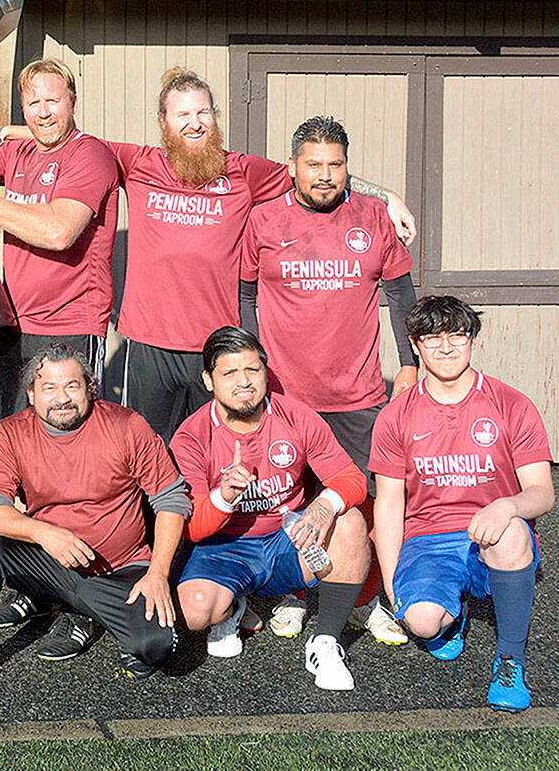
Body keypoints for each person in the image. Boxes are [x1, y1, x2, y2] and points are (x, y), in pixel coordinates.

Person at [0, 67, 416, 443]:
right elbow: (70, 136)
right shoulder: (136, 161)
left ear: (215, 118)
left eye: (203, 112)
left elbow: (315, 173)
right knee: (145, 458)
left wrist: (385, 195)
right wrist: (18, 130)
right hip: (147, 347)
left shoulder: (244, 171)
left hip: (215, 350)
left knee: (217, 458)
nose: (194, 123)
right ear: (163, 122)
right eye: (182, 114)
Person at [240, 115, 418, 645]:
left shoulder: (374, 218)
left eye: (334, 165)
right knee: (288, 497)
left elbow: (402, 294)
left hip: (357, 393)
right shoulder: (264, 221)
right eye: (313, 164)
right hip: (285, 393)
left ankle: (362, 597)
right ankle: (292, 592)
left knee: (359, 495)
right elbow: (245, 295)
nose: (324, 175)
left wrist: (408, 363)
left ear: (347, 167)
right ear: (293, 166)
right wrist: (255, 367)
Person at [0, 344, 187, 691]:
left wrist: (158, 574)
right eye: (49, 387)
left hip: (121, 571)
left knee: (153, 648)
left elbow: (171, 499)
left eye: (72, 386)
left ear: (90, 389)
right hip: (49, 562)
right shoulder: (11, 432)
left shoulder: (126, 426)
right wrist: (44, 533)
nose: (61, 398)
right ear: (31, 395)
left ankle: (74, 608)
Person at [371, 296, 553, 713]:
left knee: (509, 535)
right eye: (433, 338)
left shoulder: (511, 403)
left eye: (457, 335)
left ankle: (510, 661)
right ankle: (452, 614)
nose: (447, 347)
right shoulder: (396, 416)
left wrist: (507, 506)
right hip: (428, 539)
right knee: (420, 620)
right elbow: (389, 503)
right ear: (414, 344)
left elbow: (542, 492)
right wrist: (390, 578)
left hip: (491, 534)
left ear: (473, 340)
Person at [172, 327, 370, 691]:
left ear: (266, 372)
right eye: (230, 373)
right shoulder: (191, 435)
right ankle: (231, 608)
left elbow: (351, 478)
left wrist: (324, 505)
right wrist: (225, 496)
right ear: (208, 380)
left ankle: (326, 641)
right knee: (195, 613)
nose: (244, 382)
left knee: (350, 522)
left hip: (285, 540)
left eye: (253, 370)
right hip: (223, 547)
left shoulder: (295, 416)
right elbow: (194, 528)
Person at [0, 58, 119, 457]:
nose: (43, 111)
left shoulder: (89, 156)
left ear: (72, 101)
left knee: (66, 443)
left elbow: (59, 231)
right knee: (0, 438)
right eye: (33, 102)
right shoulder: (18, 153)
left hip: (68, 326)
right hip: (13, 322)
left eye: (53, 100)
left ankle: (67, 519)